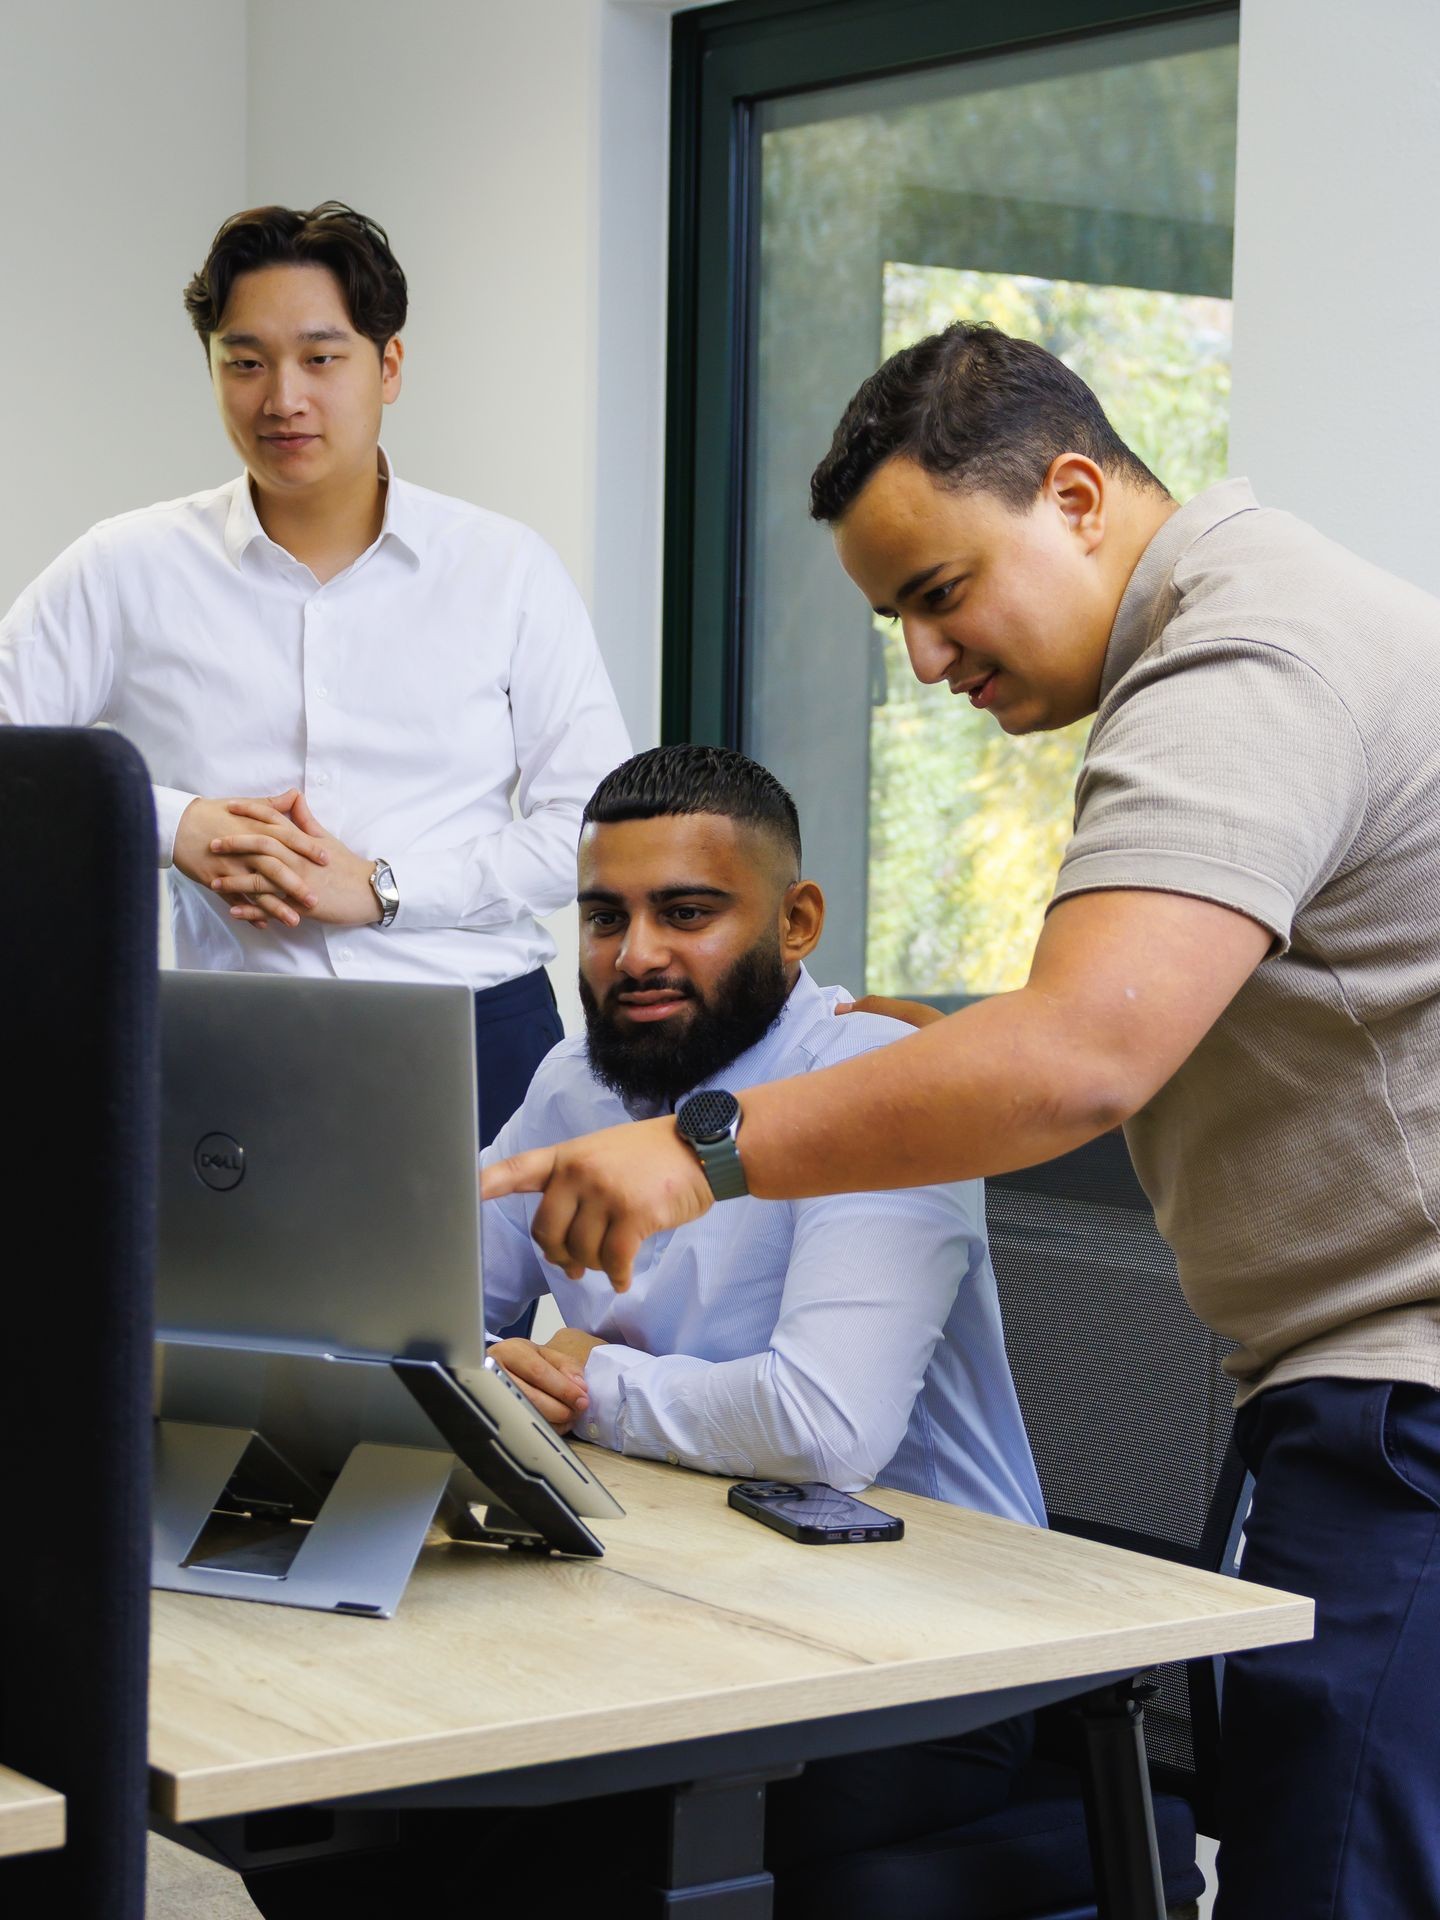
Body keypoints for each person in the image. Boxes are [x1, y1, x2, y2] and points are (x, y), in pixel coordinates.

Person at [483, 323, 1440, 1920]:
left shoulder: (1239, 664)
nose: (925, 663)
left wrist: (705, 1146)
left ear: (1076, 496)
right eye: (893, 620)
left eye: (939, 594)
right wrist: (953, 1037)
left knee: (1323, 1889)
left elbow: (1080, 1057)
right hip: (1356, 1401)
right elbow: (1171, 998)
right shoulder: (1261, 626)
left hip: (1397, 1412)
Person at [242, 742, 1045, 1920]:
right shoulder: (581, 1080)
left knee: (510, 1863)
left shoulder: (881, 1086)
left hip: (931, 1658)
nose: (636, 956)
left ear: (797, 920)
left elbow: (825, 1427)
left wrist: (589, 1382)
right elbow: (416, 1287)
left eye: (687, 912)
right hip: (677, 1603)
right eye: (604, 918)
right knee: (347, 1812)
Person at [0, 201, 630, 1144]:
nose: (281, 397)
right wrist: (179, 827)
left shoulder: (506, 570)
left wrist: (381, 886)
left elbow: (591, 830)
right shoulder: (124, 565)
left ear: (391, 366)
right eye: (244, 361)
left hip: (471, 1027)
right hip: (232, 1036)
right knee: (215, 1299)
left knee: (462, 1303)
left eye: (321, 358)